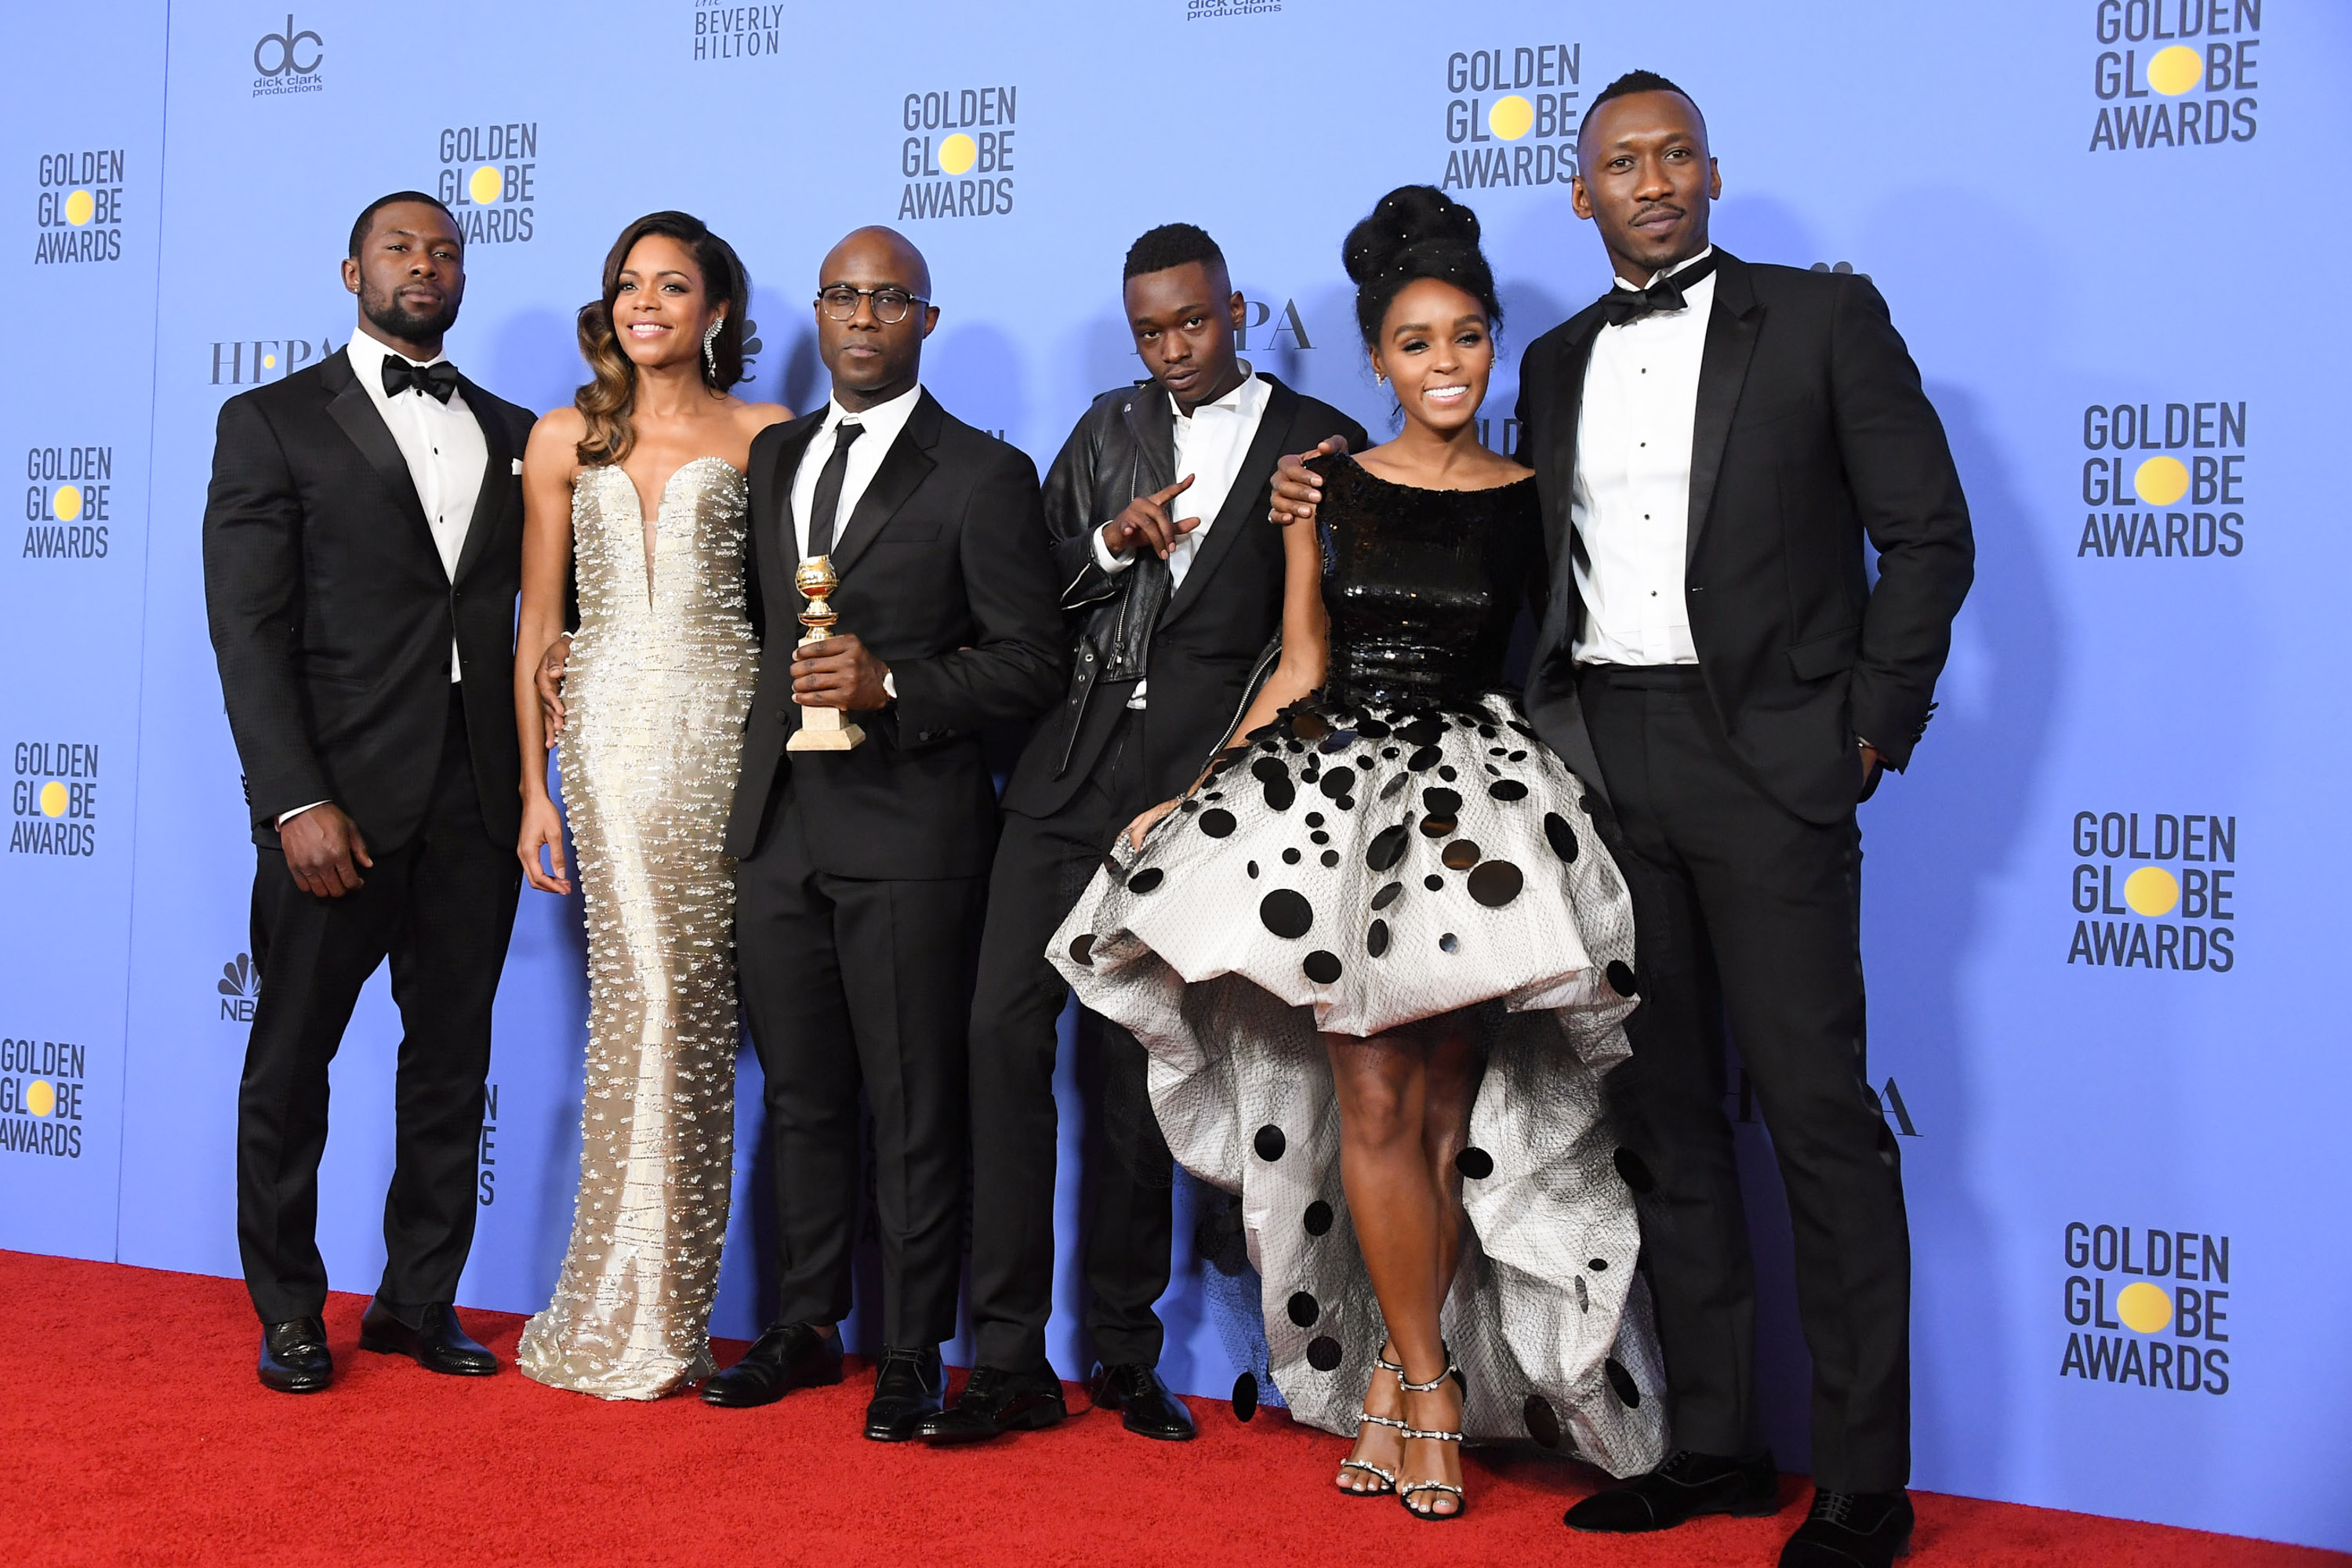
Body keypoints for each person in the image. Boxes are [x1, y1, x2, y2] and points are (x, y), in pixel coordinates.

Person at [1276, 74, 1974, 1568]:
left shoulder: (1823, 321)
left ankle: (1864, 1479)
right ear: (1582, 195)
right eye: (1618, 164)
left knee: (1819, 1119)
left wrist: (1865, 730)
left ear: (1712, 174)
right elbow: (1493, 540)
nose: (1650, 180)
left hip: (1776, 764)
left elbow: (1929, 534)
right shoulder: (1562, 356)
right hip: (1604, 765)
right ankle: (1714, 1445)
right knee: (1664, 1121)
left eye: (1673, 157)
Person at [1051, 187, 1670, 1519]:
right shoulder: (1319, 486)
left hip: (1471, 817)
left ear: (1492, 348)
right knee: (1376, 1105)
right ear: (1377, 362)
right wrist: (1196, 795)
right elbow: (1300, 666)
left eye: (1467, 340)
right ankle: (1431, 1386)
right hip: (1332, 810)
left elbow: (1561, 654)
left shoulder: (1533, 500)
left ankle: (1399, 1372)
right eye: (1416, 344)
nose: (1446, 365)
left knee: (1448, 1120)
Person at [923, 224, 1367, 1446]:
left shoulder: (1316, 436)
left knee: (1135, 1076)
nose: (1175, 350)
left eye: (1196, 324)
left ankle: (1125, 1352)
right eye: (1152, 332)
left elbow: (1336, 619)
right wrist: (1111, 541)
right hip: (1060, 783)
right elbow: (1024, 590)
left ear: (1239, 312)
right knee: (998, 1042)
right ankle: (1003, 1356)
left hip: (1192, 805)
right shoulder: (1105, 430)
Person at [696, 227, 1067, 1440]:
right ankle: (807, 1327)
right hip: (779, 830)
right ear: (817, 311)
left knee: (913, 1103)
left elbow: (1029, 663)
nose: (863, 318)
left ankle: (910, 1350)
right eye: (843, 296)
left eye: (888, 299)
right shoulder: (776, 455)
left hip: (912, 833)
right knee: (804, 1097)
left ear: (926, 319)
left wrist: (894, 685)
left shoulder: (981, 473)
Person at [202, 191, 535, 1393]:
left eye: (446, 251)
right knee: (292, 1065)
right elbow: (246, 629)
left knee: (451, 1063)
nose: (426, 266)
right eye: (401, 248)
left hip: (476, 803)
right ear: (352, 270)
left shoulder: (515, 429)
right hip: (335, 805)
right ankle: (289, 1308)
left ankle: (415, 1303)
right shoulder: (272, 422)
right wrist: (294, 800)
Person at [511, 212, 789, 1399]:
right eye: (630, 284)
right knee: (650, 1000)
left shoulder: (768, 434)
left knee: (700, 1016)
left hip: (729, 734)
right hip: (612, 739)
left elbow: (792, 613)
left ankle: (663, 1305)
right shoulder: (563, 437)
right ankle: (619, 1308)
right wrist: (535, 788)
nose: (647, 304)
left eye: (673, 286)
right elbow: (541, 627)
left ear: (716, 310)